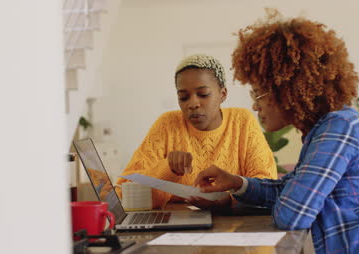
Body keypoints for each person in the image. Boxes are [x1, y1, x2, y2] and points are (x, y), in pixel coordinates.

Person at [194, 11, 359, 253]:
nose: (255, 105)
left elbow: (292, 214)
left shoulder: (339, 128)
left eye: (260, 93)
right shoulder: (323, 130)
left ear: (288, 90)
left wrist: (283, 195)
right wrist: (236, 183)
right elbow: (289, 192)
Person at [117, 54, 277, 209]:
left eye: (203, 94)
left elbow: (266, 186)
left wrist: (228, 201)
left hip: (232, 224)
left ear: (223, 94)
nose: (193, 104)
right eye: (183, 97)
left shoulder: (242, 121)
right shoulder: (167, 124)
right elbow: (125, 194)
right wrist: (168, 170)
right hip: (177, 226)